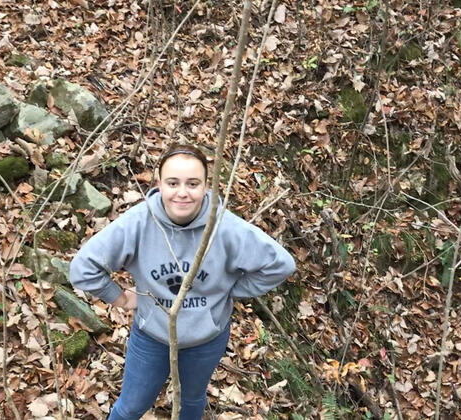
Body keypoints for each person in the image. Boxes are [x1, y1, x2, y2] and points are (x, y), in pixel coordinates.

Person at [69, 143, 296, 420]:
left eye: (193, 183)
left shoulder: (225, 228)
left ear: (206, 187)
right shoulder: (139, 222)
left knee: (191, 401)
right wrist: (120, 298)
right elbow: (83, 267)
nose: (182, 192)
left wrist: (231, 290)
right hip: (151, 336)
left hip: (205, 340)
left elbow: (280, 264)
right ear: (159, 184)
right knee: (130, 407)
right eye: (173, 182)